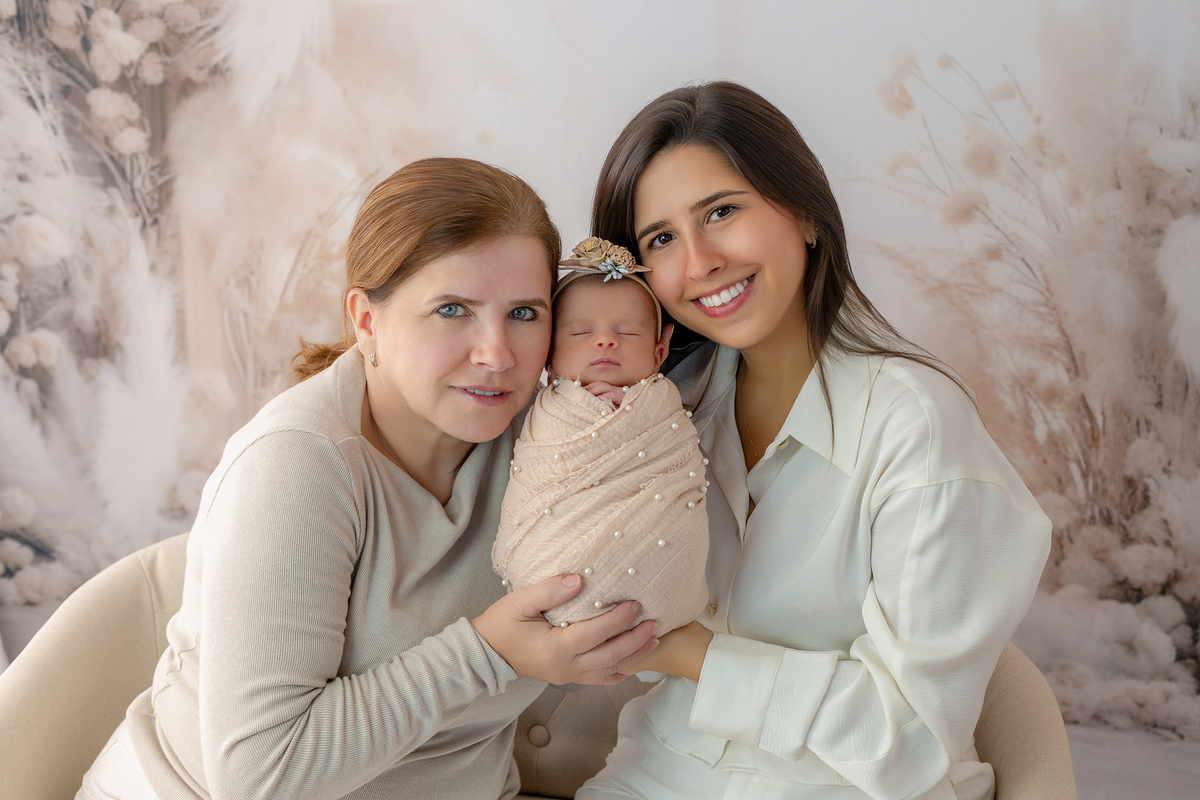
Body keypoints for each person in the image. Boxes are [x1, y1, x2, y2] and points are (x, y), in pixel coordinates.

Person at [75, 158, 658, 800]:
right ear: (366, 317)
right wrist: (487, 655)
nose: (496, 353)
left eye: (524, 313)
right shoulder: (298, 464)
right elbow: (261, 778)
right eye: (452, 309)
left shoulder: (545, 437)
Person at [576, 82, 1051, 800]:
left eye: (722, 212)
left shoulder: (916, 427)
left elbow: (911, 741)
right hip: (657, 775)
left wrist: (694, 655)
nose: (699, 260)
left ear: (802, 212)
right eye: (662, 239)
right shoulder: (666, 405)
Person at [493, 236, 709, 634]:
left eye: (627, 333)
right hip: (551, 564)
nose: (605, 340)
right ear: (549, 356)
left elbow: (675, 464)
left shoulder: (663, 406)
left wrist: (632, 410)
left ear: (660, 352)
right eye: (580, 333)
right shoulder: (549, 410)